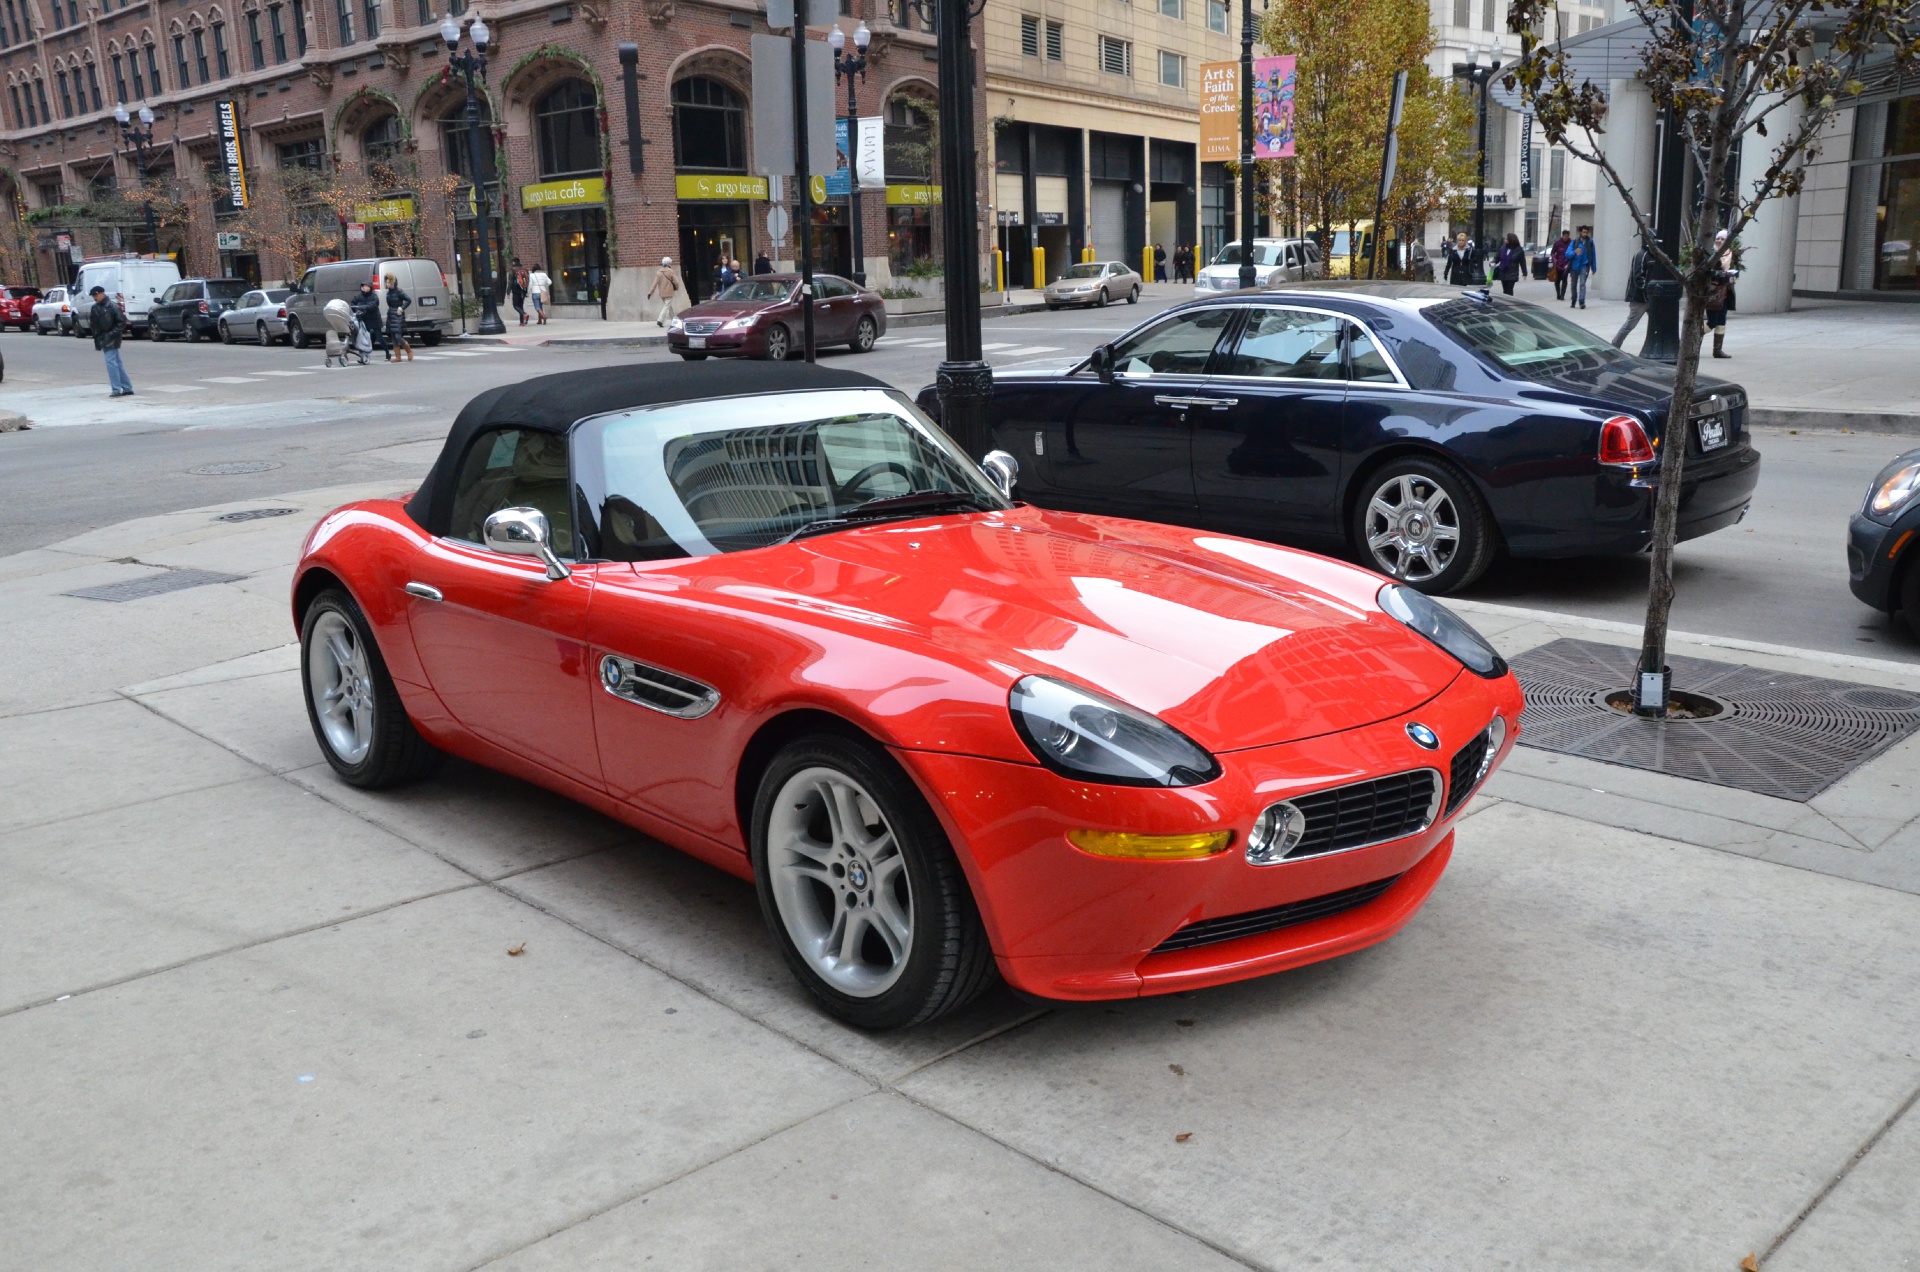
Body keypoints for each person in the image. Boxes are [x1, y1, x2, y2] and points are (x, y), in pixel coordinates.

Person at [89, 285, 132, 396]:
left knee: (111, 363)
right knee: (116, 363)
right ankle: (126, 387)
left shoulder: (112, 306)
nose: (95, 297)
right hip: (104, 337)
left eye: (96, 295)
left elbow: (121, 323)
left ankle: (116, 389)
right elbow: (94, 324)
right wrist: (97, 336)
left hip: (111, 337)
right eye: (94, 295)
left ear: (102, 293)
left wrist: (110, 335)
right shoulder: (95, 308)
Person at [1706, 228, 1737, 359]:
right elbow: (1706, 271)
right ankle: (1692, 338)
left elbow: (1733, 270)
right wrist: (1721, 274)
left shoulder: (1729, 254)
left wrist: (1732, 274)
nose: (1720, 241)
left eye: (1723, 239)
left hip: (1726, 292)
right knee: (1712, 322)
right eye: (1718, 238)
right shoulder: (1712, 254)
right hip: (1713, 292)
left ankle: (1717, 350)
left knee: (1722, 321)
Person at [1612, 242, 1650, 348]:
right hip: (1639, 298)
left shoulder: (1652, 255)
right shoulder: (1641, 255)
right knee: (1631, 323)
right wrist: (1648, 290)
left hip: (1651, 297)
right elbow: (1638, 277)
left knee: (1658, 324)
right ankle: (1615, 344)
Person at [383, 273, 413, 362]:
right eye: (386, 282)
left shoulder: (399, 291)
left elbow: (408, 300)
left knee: (398, 336)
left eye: (389, 282)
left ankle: (409, 351)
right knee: (393, 336)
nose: (387, 284)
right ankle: (398, 356)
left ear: (393, 282)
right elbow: (389, 304)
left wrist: (401, 308)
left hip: (398, 314)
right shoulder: (388, 293)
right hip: (391, 315)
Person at [351, 282, 385, 358]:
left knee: (379, 337)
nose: (365, 288)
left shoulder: (374, 296)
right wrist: (355, 310)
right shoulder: (359, 296)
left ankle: (387, 353)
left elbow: (373, 305)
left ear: (370, 288)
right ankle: (365, 354)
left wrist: (363, 307)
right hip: (365, 319)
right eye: (364, 286)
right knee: (366, 337)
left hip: (375, 319)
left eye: (367, 286)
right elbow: (353, 303)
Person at [647, 256, 683, 327]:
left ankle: (674, 320)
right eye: (670, 263)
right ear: (669, 264)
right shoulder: (670, 272)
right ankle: (660, 320)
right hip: (669, 292)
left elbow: (654, 283)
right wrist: (676, 288)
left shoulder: (659, 272)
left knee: (668, 306)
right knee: (666, 306)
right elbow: (676, 282)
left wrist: (650, 292)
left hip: (662, 293)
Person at [1566, 225, 1596, 308]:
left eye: (1586, 232)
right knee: (1573, 284)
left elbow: (1593, 255)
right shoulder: (1574, 242)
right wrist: (1575, 252)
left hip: (1584, 266)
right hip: (1574, 266)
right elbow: (1567, 254)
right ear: (1580, 232)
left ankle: (1581, 301)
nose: (1585, 234)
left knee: (1582, 284)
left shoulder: (1590, 243)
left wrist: (1594, 267)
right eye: (1583, 232)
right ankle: (1573, 300)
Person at [1550, 229, 1572, 301]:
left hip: (1566, 264)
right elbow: (1553, 253)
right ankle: (1558, 294)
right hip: (1558, 264)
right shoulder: (1557, 243)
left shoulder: (1571, 243)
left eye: (1567, 236)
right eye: (1564, 236)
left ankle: (1562, 295)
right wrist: (1554, 260)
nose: (1566, 238)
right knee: (1557, 280)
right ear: (1562, 236)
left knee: (1564, 279)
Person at [508, 257, 529, 327]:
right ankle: (522, 322)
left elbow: (510, 282)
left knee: (515, 305)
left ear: (514, 262)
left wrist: (508, 292)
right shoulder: (524, 269)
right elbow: (527, 280)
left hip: (516, 290)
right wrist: (526, 290)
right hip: (523, 289)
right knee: (521, 305)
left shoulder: (512, 270)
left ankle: (524, 314)